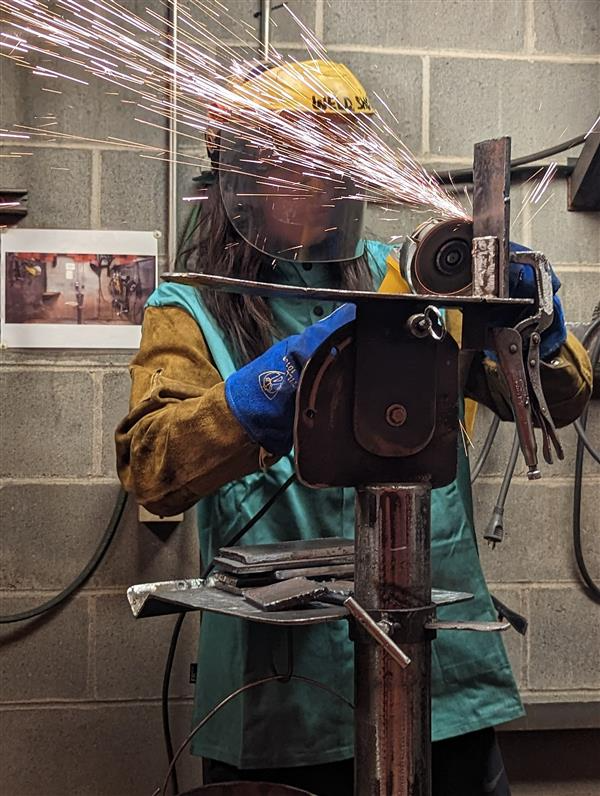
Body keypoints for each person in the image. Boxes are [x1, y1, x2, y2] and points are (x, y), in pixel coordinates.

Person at [115, 59, 591, 796]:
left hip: (443, 686)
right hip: (283, 699)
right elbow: (152, 466)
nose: (323, 177)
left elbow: (556, 402)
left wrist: (533, 330)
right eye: (298, 157)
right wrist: (264, 390)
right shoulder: (191, 304)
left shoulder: (412, 276)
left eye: (336, 155)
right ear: (242, 173)